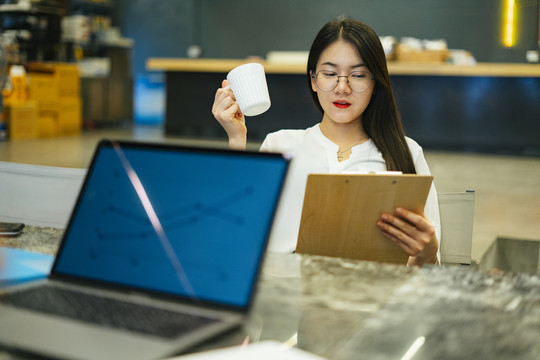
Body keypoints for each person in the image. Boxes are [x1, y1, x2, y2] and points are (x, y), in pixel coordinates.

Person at [212, 16, 440, 267]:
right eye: (330, 73)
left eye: (358, 75)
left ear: (375, 83)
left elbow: (425, 271)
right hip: (286, 295)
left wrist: (427, 252)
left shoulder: (406, 152)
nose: (342, 87)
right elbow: (237, 233)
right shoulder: (279, 145)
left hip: (371, 297)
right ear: (313, 79)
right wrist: (236, 138)